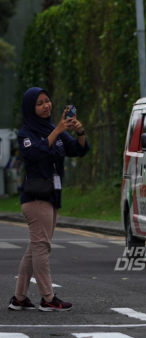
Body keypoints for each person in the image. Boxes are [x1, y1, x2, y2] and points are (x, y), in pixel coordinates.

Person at [8, 87, 90, 312]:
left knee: (34, 248)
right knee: (42, 247)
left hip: (52, 195)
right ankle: (48, 298)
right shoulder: (25, 132)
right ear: (30, 108)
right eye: (40, 103)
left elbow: (76, 150)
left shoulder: (54, 128)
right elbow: (34, 153)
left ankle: (19, 298)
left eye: (48, 101)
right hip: (35, 197)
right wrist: (57, 131)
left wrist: (80, 132)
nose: (46, 105)